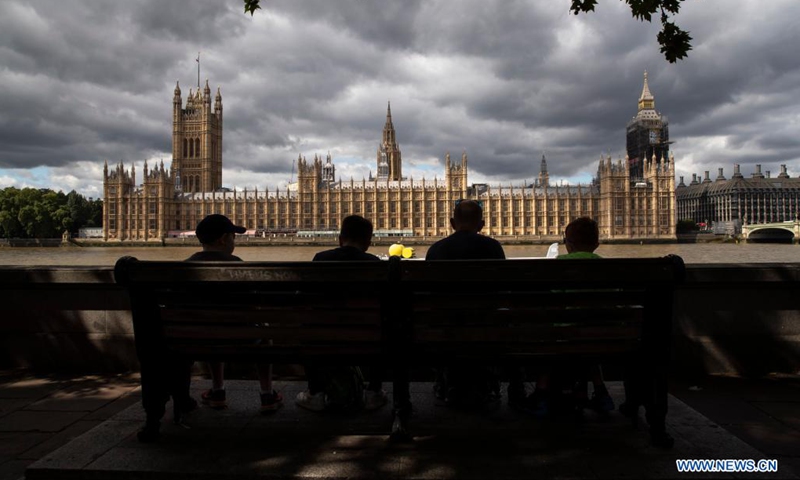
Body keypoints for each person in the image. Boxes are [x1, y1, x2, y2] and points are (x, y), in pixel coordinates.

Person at [188, 214, 283, 414]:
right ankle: (267, 394)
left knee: (213, 330)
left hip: (193, 338)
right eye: (233, 236)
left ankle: (218, 391)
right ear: (223, 239)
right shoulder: (238, 266)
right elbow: (254, 306)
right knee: (263, 334)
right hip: (240, 337)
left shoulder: (184, 268)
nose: (235, 241)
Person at [295, 215, 389, 412]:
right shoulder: (375, 264)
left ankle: (315, 392)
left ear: (339, 238)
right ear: (368, 242)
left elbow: (306, 299)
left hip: (323, 335)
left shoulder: (320, 259)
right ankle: (374, 391)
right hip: (369, 335)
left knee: (307, 327)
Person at [425, 200, 514, 409]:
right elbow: (503, 290)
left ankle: (449, 381)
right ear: (482, 224)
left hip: (444, 328)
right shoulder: (493, 247)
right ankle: (484, 382)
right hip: (486, 326)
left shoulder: (436, 250)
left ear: (451, 222)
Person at [556, 217, 614, 413]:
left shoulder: (558, 265)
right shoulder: (607, 269)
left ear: (567, 243)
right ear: (597, 244)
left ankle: (543, 393)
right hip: (602, 334)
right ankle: (599, 390)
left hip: (563, 335)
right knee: (589, 347)